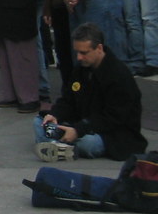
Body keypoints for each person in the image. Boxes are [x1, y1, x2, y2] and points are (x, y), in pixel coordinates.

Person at [34, 23, 147, 161]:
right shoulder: (80, 68)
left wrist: (79, 130)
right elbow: (68, 100)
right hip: (82, 123)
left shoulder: (119, 75)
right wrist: (55, 115)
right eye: (77, 52)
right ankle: (62, 144)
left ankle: (61, 144)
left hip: (112, 131)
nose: (79, 57)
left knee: (89, 144)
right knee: (39, 122)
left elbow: (113, 117)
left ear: (99, 48)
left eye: (84, 53)